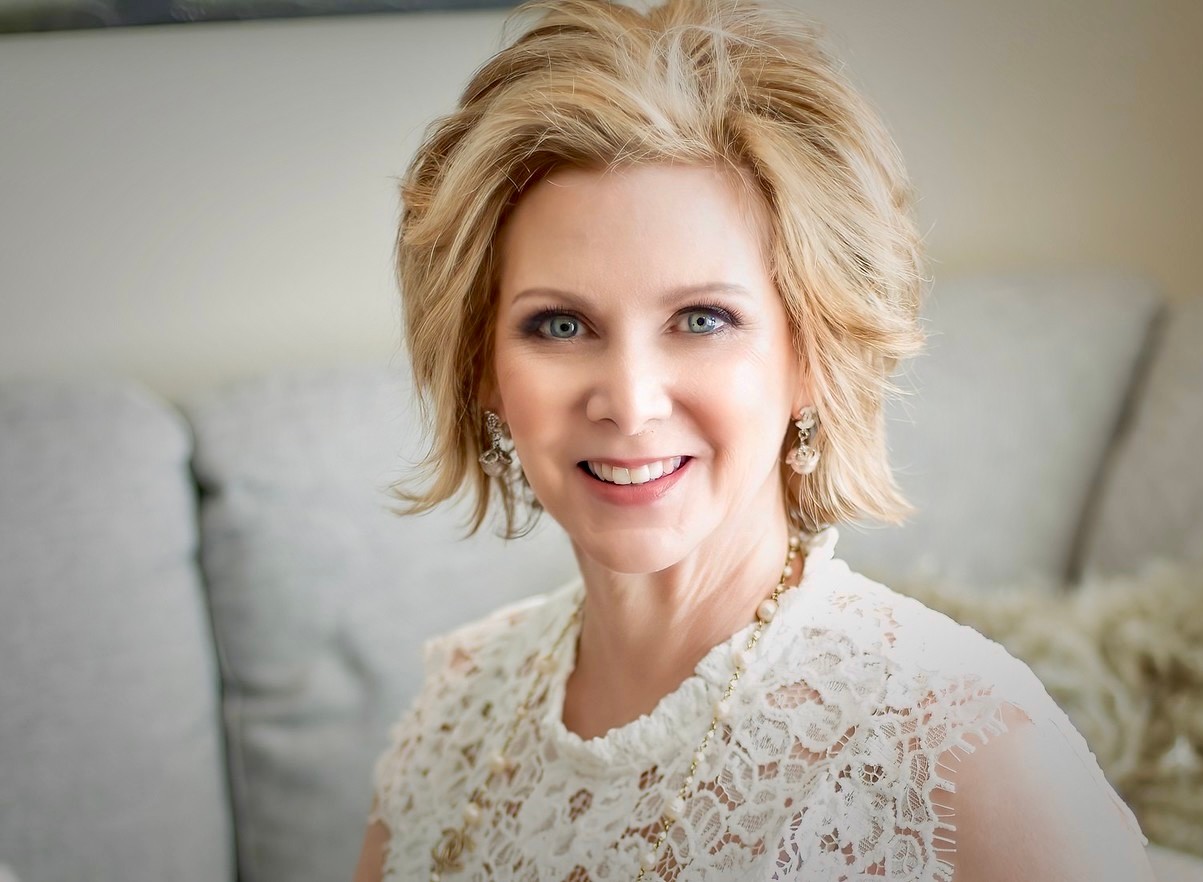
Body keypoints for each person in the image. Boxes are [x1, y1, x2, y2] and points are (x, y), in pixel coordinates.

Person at [353, 0, 1156, 879]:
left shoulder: (966, 748)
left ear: (813, 355)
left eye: (702, 318)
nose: (630, 403)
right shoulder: (459, 703)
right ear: (482, 369)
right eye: (560, 325)